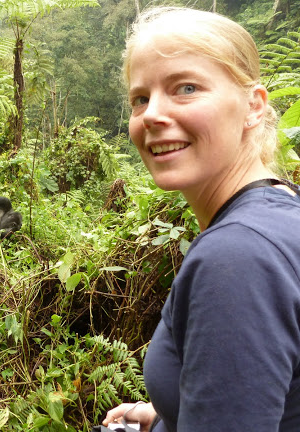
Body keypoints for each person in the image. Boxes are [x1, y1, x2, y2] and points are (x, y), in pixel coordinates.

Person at [102, 6, 300, 432]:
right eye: (140, 98)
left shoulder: (238, 257)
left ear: (253, 106)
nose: (152, 114)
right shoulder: (283, 213)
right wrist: (166, 415)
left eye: (186, 88)